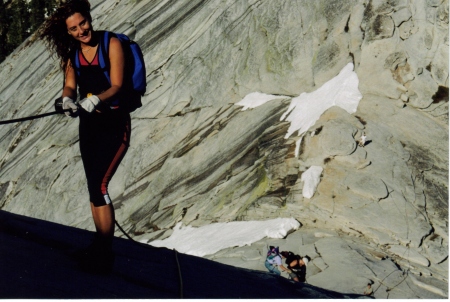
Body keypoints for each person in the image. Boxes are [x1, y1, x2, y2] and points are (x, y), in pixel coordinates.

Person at [39, 0, 130, 273]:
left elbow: (117, 85)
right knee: (94, 186)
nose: (81, 30)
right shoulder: (73, 54)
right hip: (89, 126)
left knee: (100, 186)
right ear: (67, 32)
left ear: (90, 18)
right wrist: (66, 100)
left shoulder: (110, 44)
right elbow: (69, 85)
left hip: (114, 125)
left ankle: (105, 252)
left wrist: (95, 100)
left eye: (83, 23)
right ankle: (100, 247)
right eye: (74, 28)